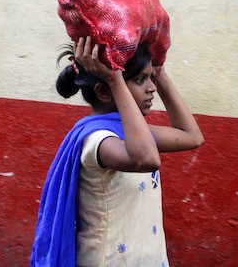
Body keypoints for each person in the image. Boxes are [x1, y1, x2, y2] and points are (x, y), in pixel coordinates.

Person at [30, 36, 204, 267]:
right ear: (104, 91)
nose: (152, 88)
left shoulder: (132, 135)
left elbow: (192, 136)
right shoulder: (99, 140)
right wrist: (115, 80)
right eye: (141, 79)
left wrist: (159, 71)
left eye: (151, 78)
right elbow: (147, 159)